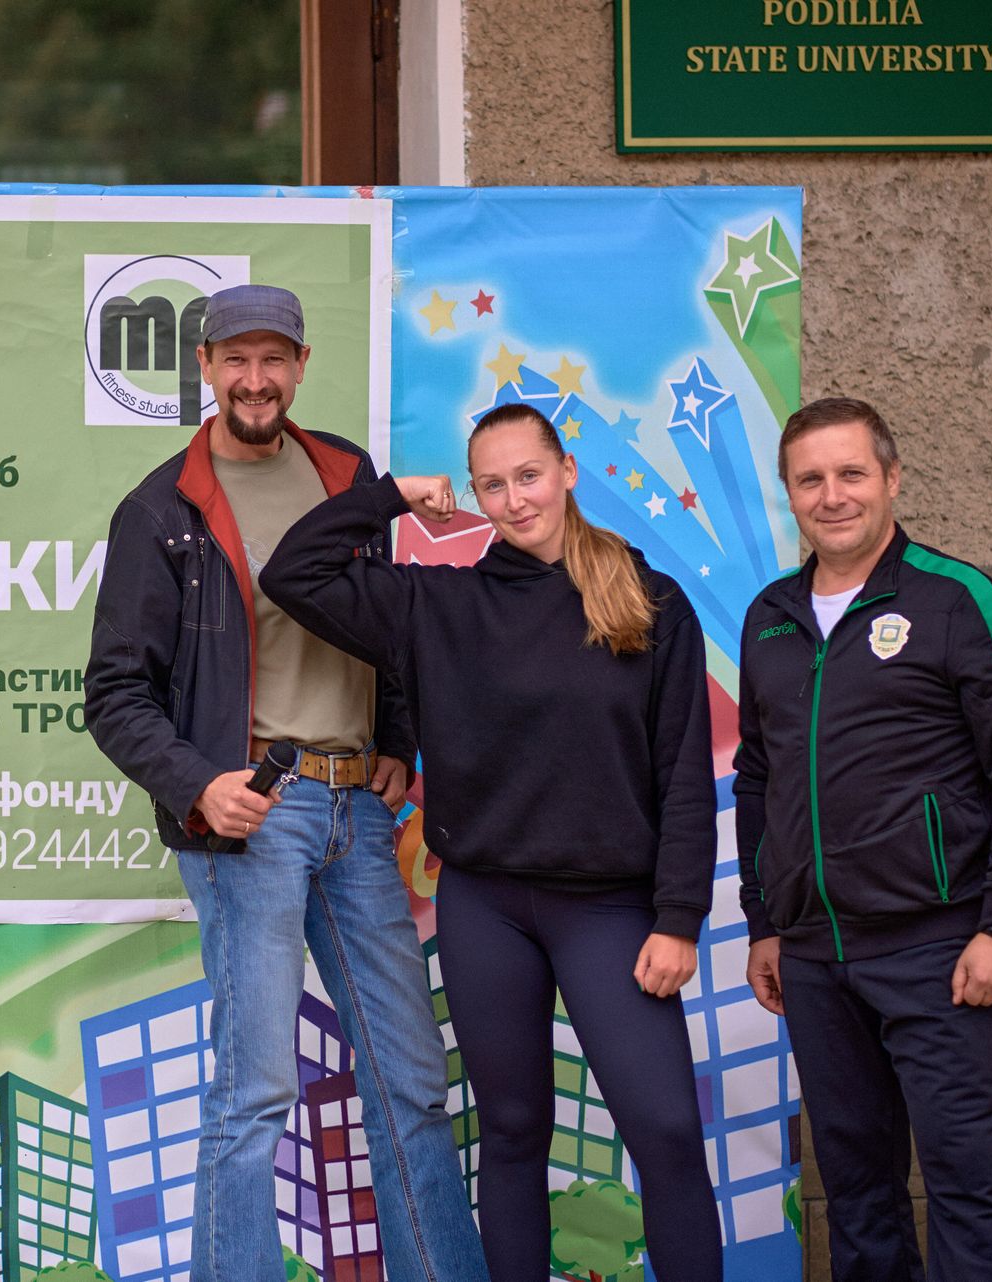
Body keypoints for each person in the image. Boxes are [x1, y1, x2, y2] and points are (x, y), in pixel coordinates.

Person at [260, 401, 722, 1281]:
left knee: (665, 1132)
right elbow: (295, 573)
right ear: (473, 495)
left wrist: (679, 918)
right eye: (493, 485)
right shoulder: (442, 605)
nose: (516, 500)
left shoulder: (651, 601)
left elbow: (684, 775)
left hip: (609, 910)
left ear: (567, 472)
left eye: (530, 476)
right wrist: (390, 496)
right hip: (486, 909)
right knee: (511, 1132)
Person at [83, 284, 488, 1282]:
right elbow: (115, 693)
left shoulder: (347, 475)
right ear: (206, 368)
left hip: (360, 811)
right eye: (235, 359)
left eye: (273, 359)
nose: (255, 379)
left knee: (411, 1082)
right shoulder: (161, 509)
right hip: (256, 816)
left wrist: (397, 736)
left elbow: (387, 618)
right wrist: (197, 786)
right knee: (255, 1094)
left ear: (302, 365)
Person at [734, 396, 992, 1281]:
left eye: (851, 473)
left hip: (939, 951)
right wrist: (764, 923)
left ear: (892, 478)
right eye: (810, 479)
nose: (832, 495)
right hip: (813, 961)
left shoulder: (955, 598)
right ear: (789, 494)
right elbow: (758, 778)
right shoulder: (769, 616)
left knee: (966, 1185)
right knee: (857, 1196)